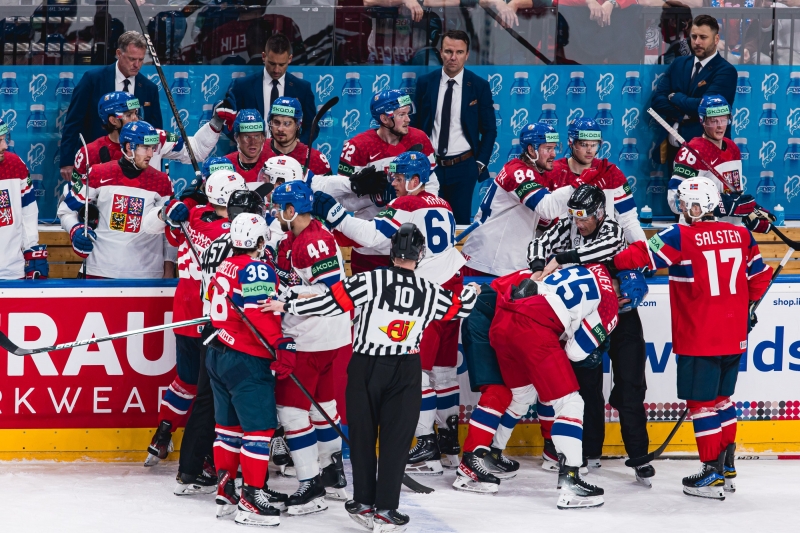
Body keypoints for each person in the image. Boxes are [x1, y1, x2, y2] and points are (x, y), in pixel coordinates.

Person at [261, 223, 479, 533]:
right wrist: (472, 291)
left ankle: (363, 502)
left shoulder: (369, 280)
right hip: (405, 369)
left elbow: (328, 304)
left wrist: (288, 304)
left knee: (363, 437)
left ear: (392, 253)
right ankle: (386, 511)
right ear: (419, 254)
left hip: (364, 365)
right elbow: (461, 308)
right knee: (395, 442)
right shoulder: (430, 290)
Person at [612, 176, 772, 500]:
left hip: (700, 336)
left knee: (701, 405)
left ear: (708, 205)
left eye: (691, 204)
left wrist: (609, 261)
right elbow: (760, 277)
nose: (686, 209)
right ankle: (727, 468)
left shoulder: (680, 235)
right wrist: (748, 310)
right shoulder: (742, 234)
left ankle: (711, 470)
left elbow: (638, 256)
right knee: (723, 401)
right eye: (684, 203)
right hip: (733, 335)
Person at [312, 151, 465, 474]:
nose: (393, 183)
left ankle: (425, 443)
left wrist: (336, 215)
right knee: (445, 371)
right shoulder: (443, 204)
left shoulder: (408, 205)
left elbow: (374, 237)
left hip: (428, 294)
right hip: (452, 289)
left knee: (420, 372)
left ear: (414, 179)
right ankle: (449, 443)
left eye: (398, 178)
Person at [455, 262, 618, 508]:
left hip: (503, 321)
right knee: (569, 401)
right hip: (506, 321)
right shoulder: (610, 302)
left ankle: (493, 453)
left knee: (522, 394)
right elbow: (576, 352)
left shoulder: (580, 268)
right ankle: (571, 480)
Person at [527, 184, 654, 485]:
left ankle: (638, 457)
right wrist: (536, 266)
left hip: (621, 315)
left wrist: (558, 260)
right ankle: (588, 451)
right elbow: (537, 243)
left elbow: (598, 251)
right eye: (574, 216)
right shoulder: (570, 224)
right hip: (586, 317)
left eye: (583, 217)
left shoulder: (612, 228)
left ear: (599, 212)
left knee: (631, 386)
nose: (578, 223)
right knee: (586, 388)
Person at [141, 170, 247, 468]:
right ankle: (206, 457)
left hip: (184, 311)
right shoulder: (231, 230)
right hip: (212, 316)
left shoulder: (193, 214)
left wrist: (170, 209)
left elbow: (154, 226)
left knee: (186, 379)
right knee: (212, 391)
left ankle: (163, 431)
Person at [267, 180, 352, 515]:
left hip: (311, 339)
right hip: (332, 339)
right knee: (323, 407)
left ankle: (310, 483)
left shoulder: (313, 241)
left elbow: (331, 294)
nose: (275, 213)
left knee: (291, 411)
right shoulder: (298, 237)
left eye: (279, 208)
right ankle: (332, 474)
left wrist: (286, 303)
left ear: (292, 210)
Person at [206, 212, 296, 526]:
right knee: (259, 430)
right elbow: (260, 313)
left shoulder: (225, 265)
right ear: (259, 241)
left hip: (218, 354)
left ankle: (226, 489)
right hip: (246, 358)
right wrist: (281, 344)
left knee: (227, 429)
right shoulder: (257, 267)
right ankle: (251, 499)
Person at [461, 122, 598, 277]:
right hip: (488, 261)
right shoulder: (517, 172)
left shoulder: (537, 175)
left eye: (554, 148)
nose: (554, 154)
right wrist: (579, 183)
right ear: (531, 150)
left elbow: (545, 219)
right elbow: (547, 208)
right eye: (548, 149)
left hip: (502, 261)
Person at [336, 89, 437, 273]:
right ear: (384, 118)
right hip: (370, 247)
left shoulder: (419, 138)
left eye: (408, 113)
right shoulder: (357, 147)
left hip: (410, 245)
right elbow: (344, 202)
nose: (408, 119)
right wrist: (374, 198)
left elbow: (432, 185)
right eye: (401, 115)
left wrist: (409, 198)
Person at [57, 121, 173, 279]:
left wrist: (169, 268)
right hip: (99, 271)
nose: (151, 154)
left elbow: (168, 231)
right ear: (128, 147)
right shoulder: (97, 173)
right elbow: (65, 210)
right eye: (145, 148)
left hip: (148, 276)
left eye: (152, 148)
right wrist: (75, 229)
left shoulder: (162, 181)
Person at [413, 29, 496, 224]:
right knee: (427, 222)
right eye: (448, 51)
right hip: (430, 167)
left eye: (459, 52)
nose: (453, 57)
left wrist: (478, 165)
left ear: (467, 55)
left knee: (459, 225)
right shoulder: (425, 83)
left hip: (464, 168)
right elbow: (415, 126)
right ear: (440, 52)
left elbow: (490, 129)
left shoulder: (479, 86)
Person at [60, 31, 163, 182]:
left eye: (141, 60)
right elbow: (74, 121)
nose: (137, 65)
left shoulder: (149, 88)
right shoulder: (93, 80)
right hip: (96, 161)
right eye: (132, 59)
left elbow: (155, 129)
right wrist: (67, 161)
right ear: (119, 54)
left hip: (133, 167)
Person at [73, 91, 229, 183]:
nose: (135, 118)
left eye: (136, 112)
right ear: (113, 120)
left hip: (149, 227)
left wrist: (216, 122)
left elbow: (195, 150)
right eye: (128, 115)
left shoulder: (156, 137)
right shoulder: (89, 153)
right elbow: (73, 195)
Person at [667, 94, 765, 231]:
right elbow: (675, 201)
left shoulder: (733, 149)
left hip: (731, 232)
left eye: (724, 120)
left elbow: (733, 194)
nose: (720, 127)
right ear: (703, 121)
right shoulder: (691, 154)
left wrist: (748, 212)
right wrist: (720, 206)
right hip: (700, 233)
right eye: (713, 121)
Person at [651, 15, 737, 168]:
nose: (697, 42)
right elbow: (657, 100)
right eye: (694, 36)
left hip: (708, 152)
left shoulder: (726, 71)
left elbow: (709, 108)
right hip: (675, 150)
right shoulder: (679, 63)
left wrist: (675, 97)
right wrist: (683, 114)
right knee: (675, 191)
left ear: (716, 39)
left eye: (703, 37)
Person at [543, 117, 646, 246]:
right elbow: (542, 221)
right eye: (584, 144)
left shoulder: (610, 172)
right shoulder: (552, 172)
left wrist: (645, 251)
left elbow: (628, 221)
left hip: (603, 254)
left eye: (594, 144)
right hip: (561, 258)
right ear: (571, 143)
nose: (589, 150)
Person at [225, 33, 316, 145]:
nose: (276, 70)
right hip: (252, 156)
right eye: (272, 63)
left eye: (281, 65)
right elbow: (227, 121)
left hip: (288, 158)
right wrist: (245, 143)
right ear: (264, 56)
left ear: (290, 59)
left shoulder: (302, 89)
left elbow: (312, 127)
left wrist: (296, 147)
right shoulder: (243, 86)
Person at [0, 118, 47, 280]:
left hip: (12, 270)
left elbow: (28, 211)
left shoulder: (16, 164)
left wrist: (32, 249)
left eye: (4, 139)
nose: (5, 146)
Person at [260, 96, 332, 177]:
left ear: (298, 125)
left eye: (287, 123)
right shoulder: (257, 150)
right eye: (276, 122)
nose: (280, 129)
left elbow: (327, 188)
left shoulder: (316, 160)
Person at [225, 109, 272, 183]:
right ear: (236, 137)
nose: (252, 142)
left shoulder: (274, 163)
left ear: (263, 138)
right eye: (247, 137)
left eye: (256, 136)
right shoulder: (226, 165)